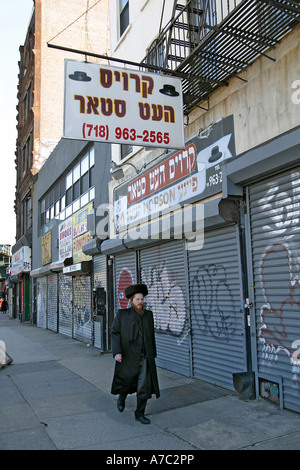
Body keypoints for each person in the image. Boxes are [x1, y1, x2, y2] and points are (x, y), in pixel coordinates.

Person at [111, 283, 160, 424]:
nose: (140, 302)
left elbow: (151, 336)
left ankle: (140, 414)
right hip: (127, 356)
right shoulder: (122, 315)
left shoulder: (148, 315)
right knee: (126, 383)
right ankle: (122, 397)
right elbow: (115, 333)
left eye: (142, 299)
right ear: (131, 301)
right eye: (138, 299)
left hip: (145, 357)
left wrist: (153, 354)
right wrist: (117, 352)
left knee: (144, 387)